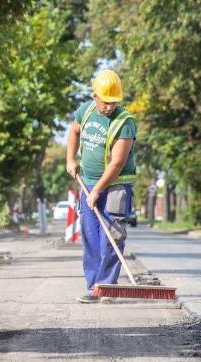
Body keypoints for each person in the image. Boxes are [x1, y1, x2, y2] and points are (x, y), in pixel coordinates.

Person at [65, 69, 137, 303]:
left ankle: (107, 287)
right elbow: (74, 131)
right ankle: (93, 286)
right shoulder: (85, 111)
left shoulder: (125, 122)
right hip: (87, 181)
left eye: (114, 102)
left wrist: (97, 191)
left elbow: (117, 163)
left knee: (112, 235)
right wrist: (71, 159)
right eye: (106, 102)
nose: (109, 106)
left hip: (116, 186)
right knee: (90, 234)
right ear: (95, 96)